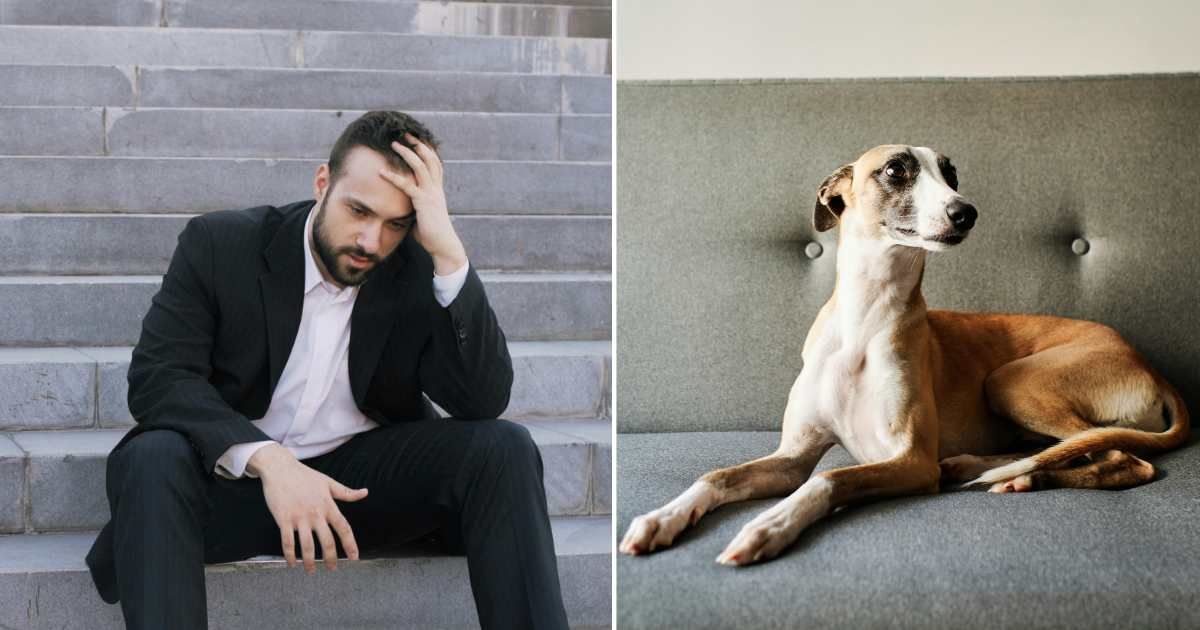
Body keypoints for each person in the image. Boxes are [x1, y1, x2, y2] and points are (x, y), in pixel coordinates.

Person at [84, 110, 570, 630]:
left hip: (354, 496)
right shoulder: (221, 244)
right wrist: (270, 461)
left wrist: (447, 253)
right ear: (323, 183)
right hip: (233, 488)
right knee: (152, 456)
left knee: (506, 446)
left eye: (394, 224)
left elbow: (483, 400)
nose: (370, 241)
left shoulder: (412, 267)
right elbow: (159, 378)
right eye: (358, 211)